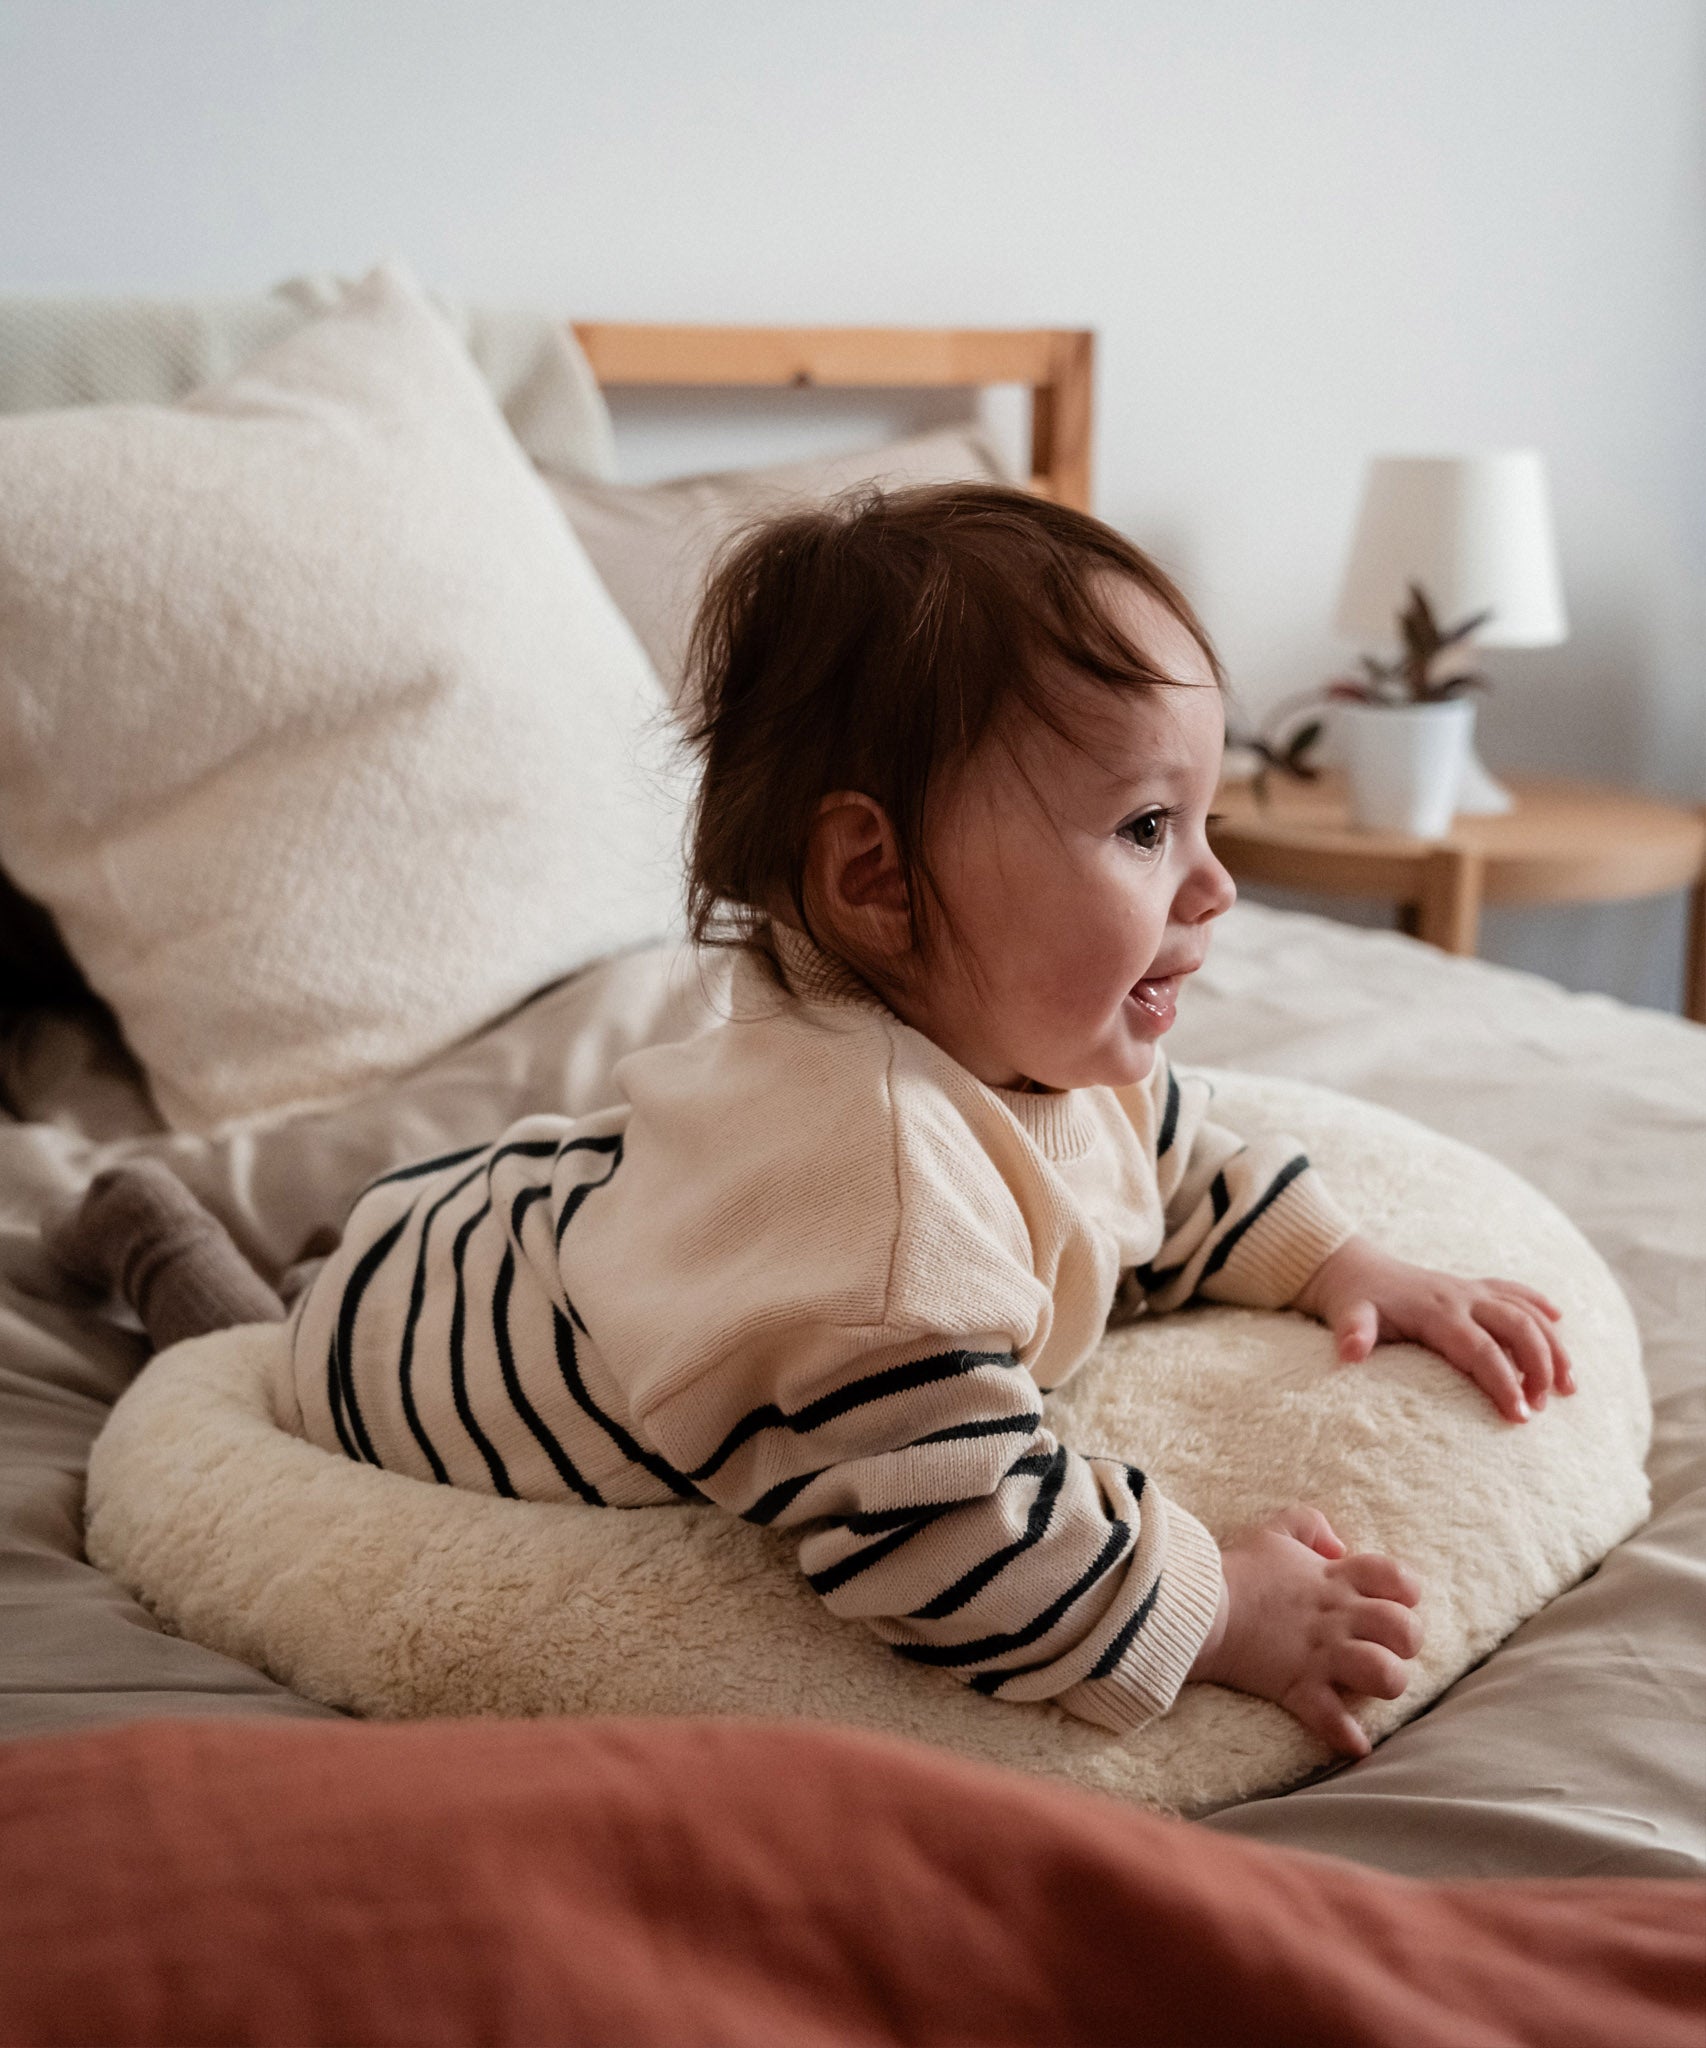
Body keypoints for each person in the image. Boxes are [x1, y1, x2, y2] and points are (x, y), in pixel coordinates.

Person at [51, 484, 1574, 1758]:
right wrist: (1220, 1606)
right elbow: (951, 1539)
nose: (1216, 886)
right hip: (429, 1326)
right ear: (874, 880)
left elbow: (1166, 1167)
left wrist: (1336, 1262)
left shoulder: (1028, 1052)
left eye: (1204, 820)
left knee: (548, 1188)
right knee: (246, 1335)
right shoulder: (876, 1212)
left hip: (596, 1212)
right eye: (1141, 828)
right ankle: (154, 1237)